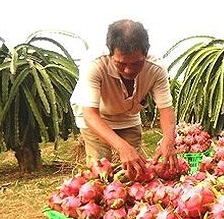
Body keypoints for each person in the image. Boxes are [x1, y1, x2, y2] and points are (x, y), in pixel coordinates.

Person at [70, 19, 177, 180]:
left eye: (136, 64)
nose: (128, 70)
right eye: (120, 64)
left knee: (137, 171)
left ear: (145, 53)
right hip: (95, 115)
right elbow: (90, 115)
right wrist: (122, 147)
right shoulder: (94, 64)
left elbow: (166, 109)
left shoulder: (156, 68)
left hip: (128, 115)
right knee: (100, 171)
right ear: (110, 52)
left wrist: (168, 141)